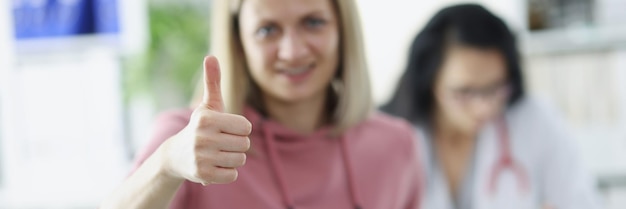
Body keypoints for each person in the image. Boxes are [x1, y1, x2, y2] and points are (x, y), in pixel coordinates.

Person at [101, 0, 421, 208]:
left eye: (313, 22)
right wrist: (166, 164)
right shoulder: (192, 142)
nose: (292, 51)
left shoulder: (395, 145)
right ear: (239, 43)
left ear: (342, 29)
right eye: (267, 30)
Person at [382, 4, 599, 209]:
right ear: (429, 82)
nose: (483, 108)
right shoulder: (387, 138)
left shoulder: (536, 121)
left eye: (494, 89)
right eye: (464, 92)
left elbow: (581, 201)